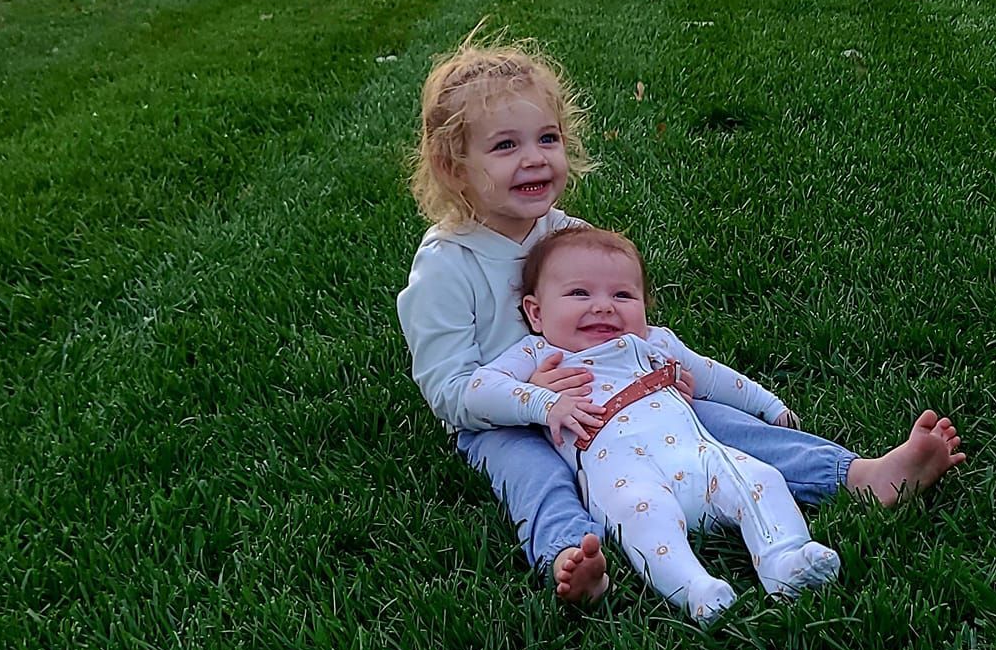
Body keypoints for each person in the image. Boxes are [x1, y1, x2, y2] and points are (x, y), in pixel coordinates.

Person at [396, 34, 965, 608]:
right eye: (505, 146)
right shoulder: (448, 266)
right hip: (503, 420)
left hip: (608, 391)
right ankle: (572, 561)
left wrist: (652, 372)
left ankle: (859, 475)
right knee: (535, 479)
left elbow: (614, 319)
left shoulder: (563, 233)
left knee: (721, 424)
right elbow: (447, 389)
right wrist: (530, 400)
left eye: (548, 138)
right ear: (454, 167)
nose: (535, 158)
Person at [466, 228, 841, 621]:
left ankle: (785, 561)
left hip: (697, 458)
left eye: (623, 295)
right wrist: (542, 401)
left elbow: (716, 377)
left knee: (760, 479)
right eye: (580, 294)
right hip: (625, 478)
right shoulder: (538, 353)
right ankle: (695, 589)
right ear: (536, 313)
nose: (604, 307)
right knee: (645, 519)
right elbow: (479, 389)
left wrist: (770, 405)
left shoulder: (655, 342)